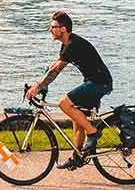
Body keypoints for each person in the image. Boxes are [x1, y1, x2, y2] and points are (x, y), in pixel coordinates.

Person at [27, 10, 113, 166]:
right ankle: (77, 157)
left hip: (99, 83)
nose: (50, 30)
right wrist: (38, 84)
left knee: (64, 104)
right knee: (78, 121)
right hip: (94, 82)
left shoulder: (73, 45)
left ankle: (93, 133)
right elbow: (53, 66)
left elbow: (56, 70)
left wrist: (39, 87)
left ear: (63, 29)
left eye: (53, 26)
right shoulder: (66, 45)